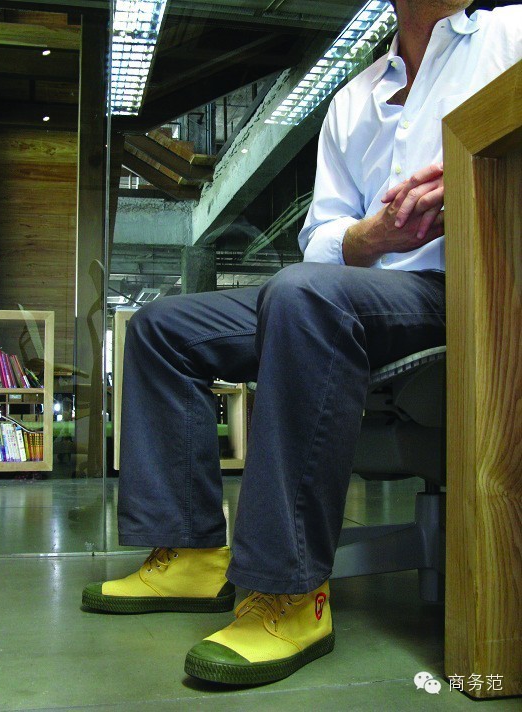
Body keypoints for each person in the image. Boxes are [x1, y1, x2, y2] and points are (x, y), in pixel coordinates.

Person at [83, 0, 522, 686]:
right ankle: (190, 555)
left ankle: (288, 592)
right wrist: (374, 236)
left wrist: (472, 178)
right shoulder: (354, 98)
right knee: (161, 328)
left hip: (466, 287)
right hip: (357, 289)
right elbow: (320, 237)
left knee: (303, 294)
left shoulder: (510, 36)